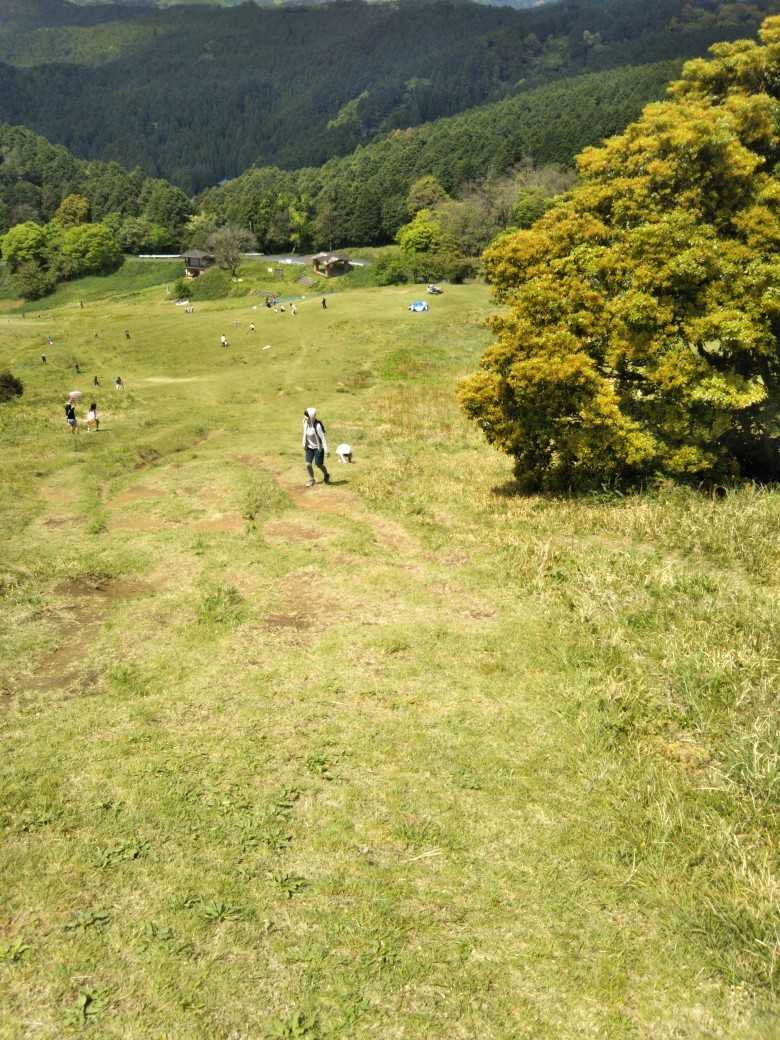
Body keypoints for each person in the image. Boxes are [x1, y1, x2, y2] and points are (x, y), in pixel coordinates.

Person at [302, 407, 330, 487]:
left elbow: (323, 438)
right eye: (304, 416)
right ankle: (311, 479)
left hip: (318, 448)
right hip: (309, 448)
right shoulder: (305, 423)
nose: (305, 418)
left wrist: (326, 450)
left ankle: (326, 474)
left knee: (319, 464)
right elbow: (304, 434)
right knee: (308, 464)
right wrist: (304, 444)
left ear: (311, 417)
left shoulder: (317, 426)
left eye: (306, 417)